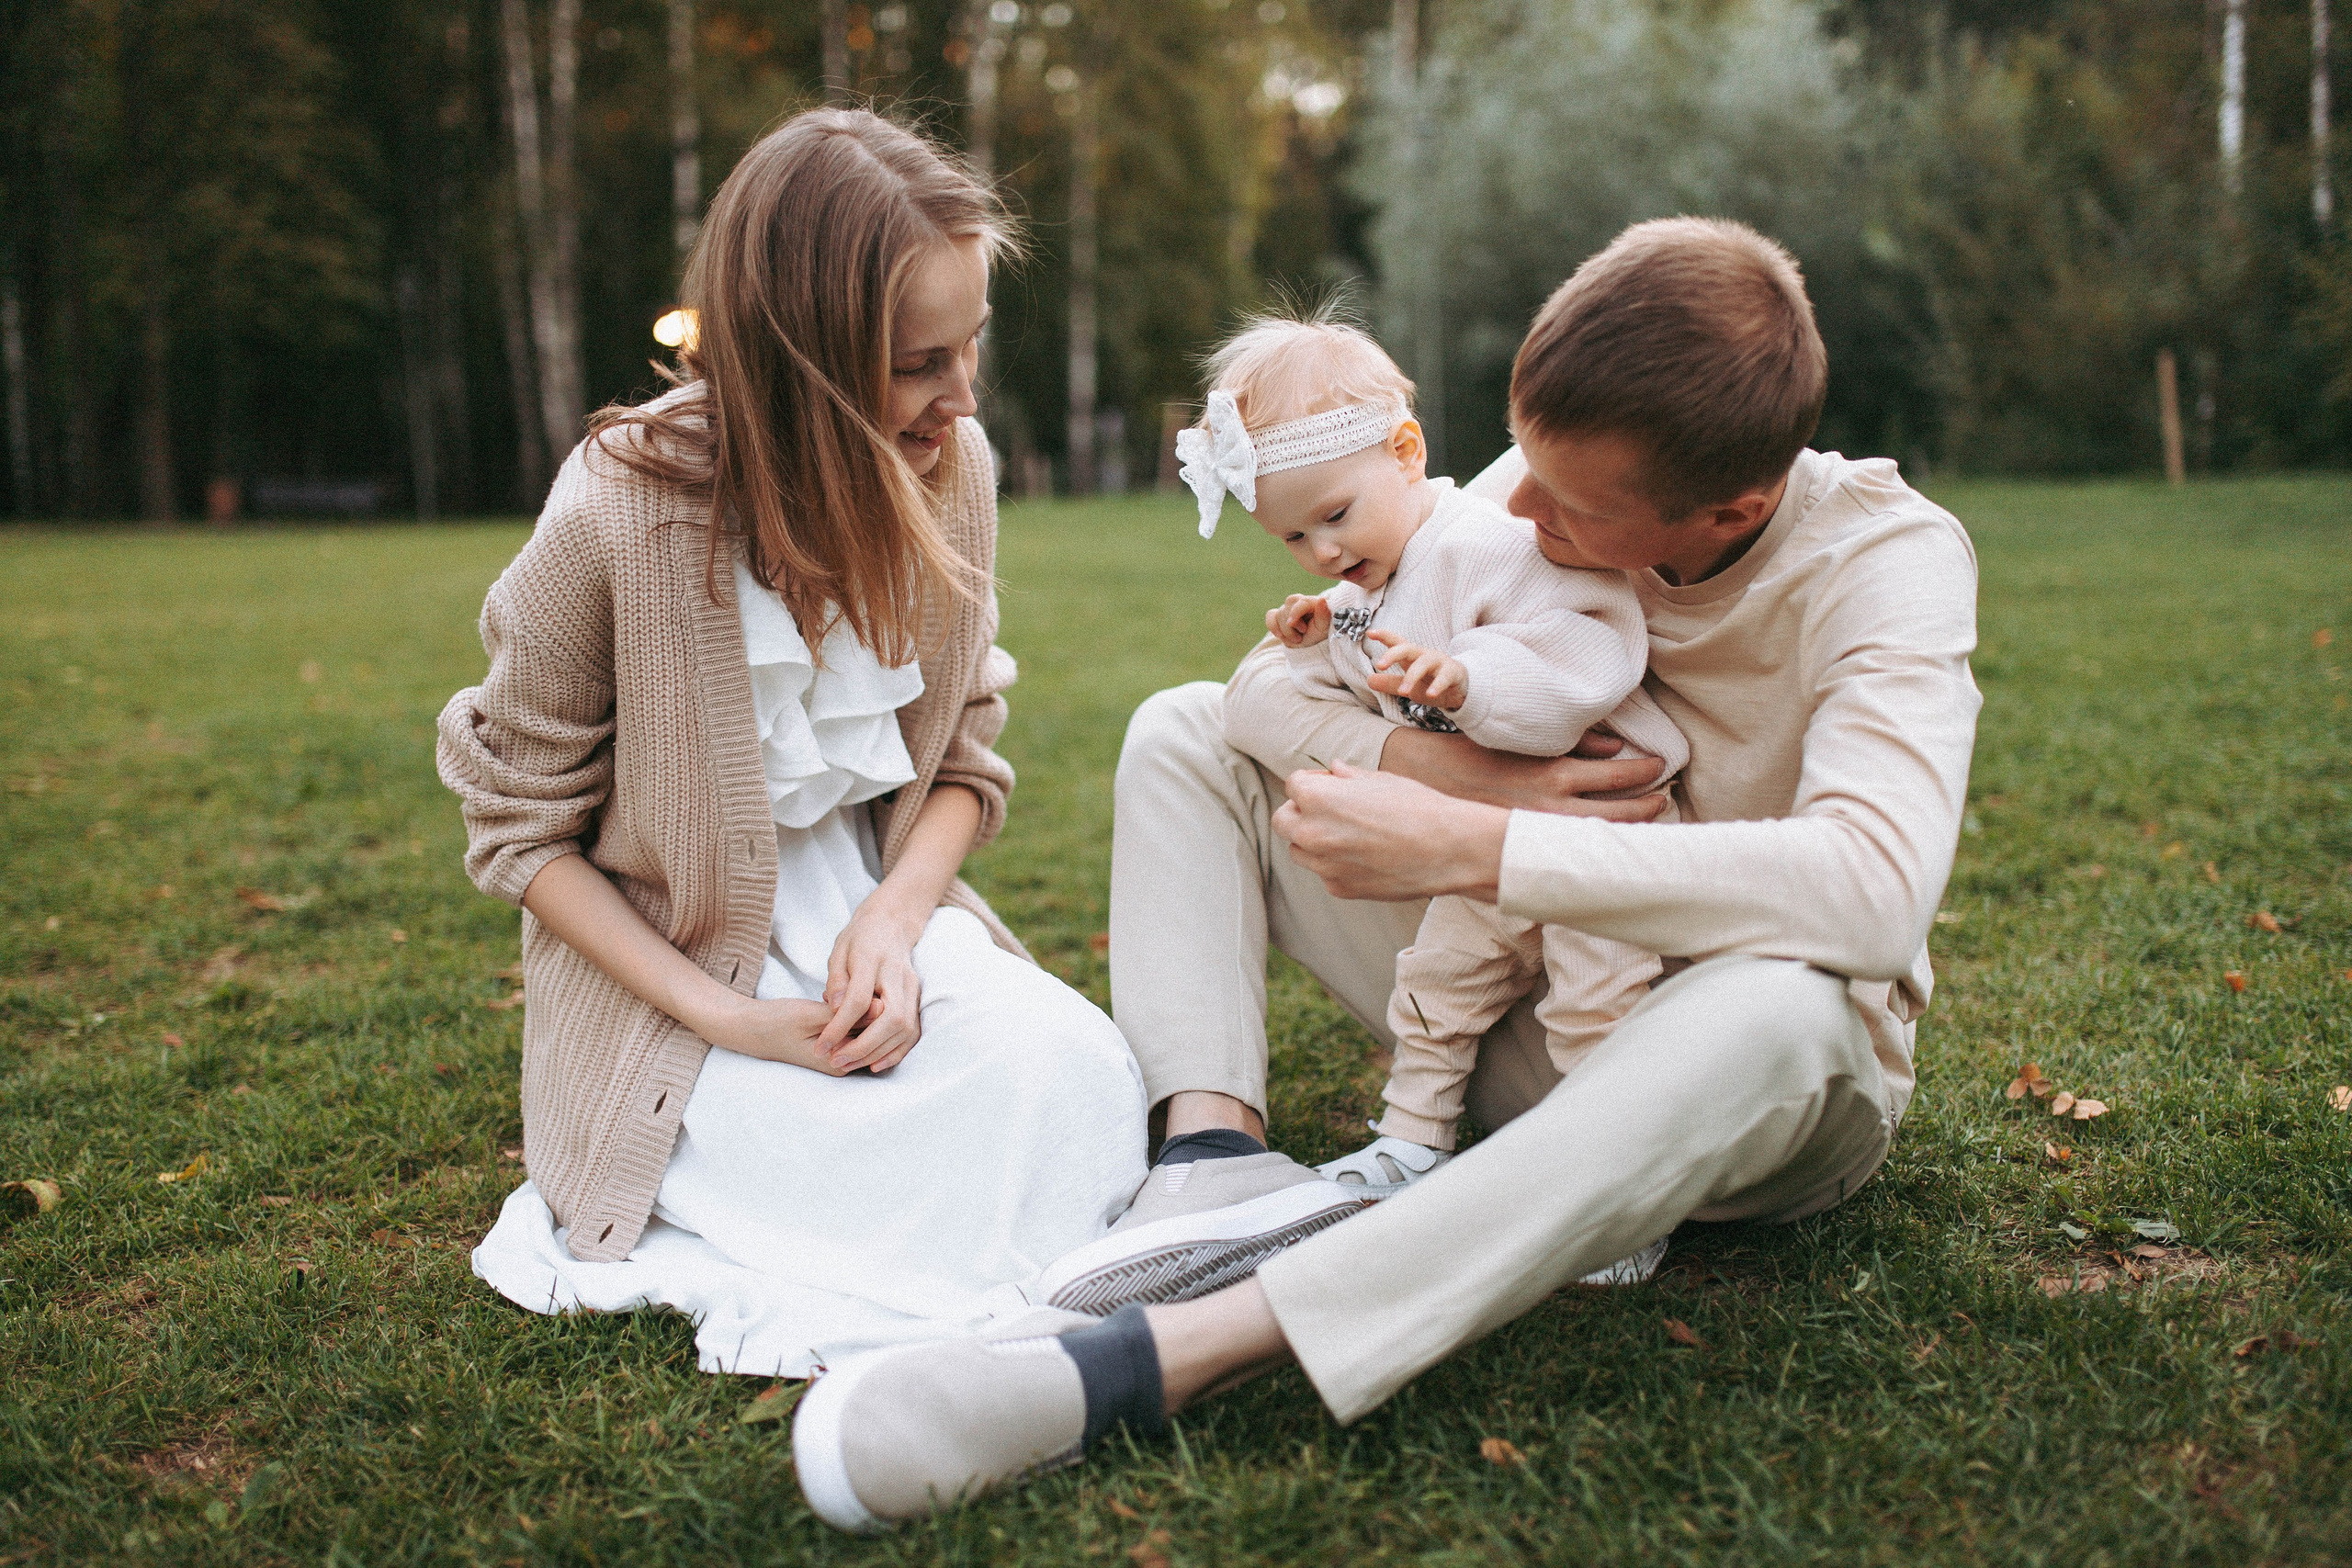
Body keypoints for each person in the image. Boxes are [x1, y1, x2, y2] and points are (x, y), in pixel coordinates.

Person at [788, 216, 1983, 1529]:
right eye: (1520, 461)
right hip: (1520, 1008)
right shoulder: (1509, 509)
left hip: (1746, 1105)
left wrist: (1485, 845)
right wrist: (1463, 782)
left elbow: (1875, 888)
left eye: (1570, 505)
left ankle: (1154, 1361)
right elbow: (1255, 697)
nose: (1515, 507)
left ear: (1728, 512)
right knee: (1184, 723)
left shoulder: (1882, 559)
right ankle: (1212, 1157)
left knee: (1786, 1004)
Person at [439, 108, 1194, 1378]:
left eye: (973, 349)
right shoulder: (616, 508)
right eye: (916, 363)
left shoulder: (955, 469)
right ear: (801, 355)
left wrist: (895, 922)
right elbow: (518, 834)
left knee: (1070, 1079)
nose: (960, 398)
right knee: (873, 1163)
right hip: (671, 979)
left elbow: (963, 762)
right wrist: (733, 1021)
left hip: (872, 913)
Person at [1173, 310, 1688, 1195]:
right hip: (1483, 840)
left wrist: (1468, 682)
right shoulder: (1377, 571)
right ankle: (1412, 1138)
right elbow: (1370, 658)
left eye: (1335, 517)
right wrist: (1316, 635)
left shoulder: (1492, 545)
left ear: (1406, 452)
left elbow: (1591, 651)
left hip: (1600, 834)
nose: (1325, 552)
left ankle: (1620, 1188)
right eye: (1295, 538)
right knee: (1439, 979)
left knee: (1598, 1000)